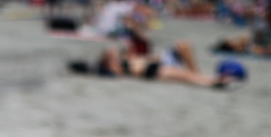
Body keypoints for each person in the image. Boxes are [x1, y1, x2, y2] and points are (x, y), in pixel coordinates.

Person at [89, 42, 238, 88]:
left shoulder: (123, 59)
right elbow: (114, 74)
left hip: (152, 67)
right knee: (185, 76)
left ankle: (213, 80)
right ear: (107, 58)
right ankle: (213, 82)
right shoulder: (115, 65)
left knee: (185, 75)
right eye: (110, 52)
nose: (114, 51)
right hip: (150, 71)